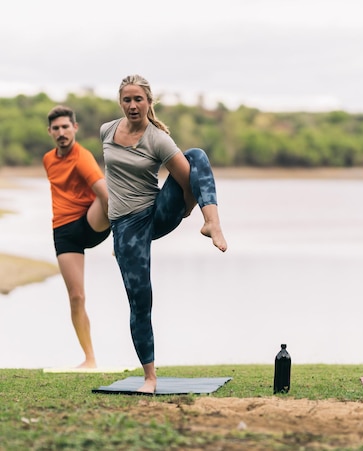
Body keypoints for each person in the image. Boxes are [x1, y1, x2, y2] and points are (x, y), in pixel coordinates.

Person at [102, 74, 228, 393]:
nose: (133, 105)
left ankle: (211, 222)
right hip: (126, 227)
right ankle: (150, 377)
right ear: (121, 102)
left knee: (197, 155)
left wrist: (184, 209)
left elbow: (186, 178)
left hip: (156, 213)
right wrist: (117, 238)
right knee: (140, 301)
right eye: (127, 99)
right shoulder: (107, 131)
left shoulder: (157, 138)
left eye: (139, 99)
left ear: (149, 102)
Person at [43, 105, 111, 368]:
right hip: (64, 231)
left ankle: (124, 232)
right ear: (50, 132)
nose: (61, 132)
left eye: (65, 127)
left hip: (90, 222)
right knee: (76, 297)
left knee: (108, 192)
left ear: (75, 128)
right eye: (56, 128)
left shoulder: (82, 157)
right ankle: (89, 358)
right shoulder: (48, 159)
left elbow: (104, 193)